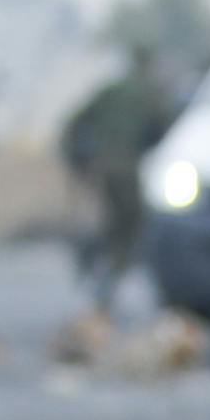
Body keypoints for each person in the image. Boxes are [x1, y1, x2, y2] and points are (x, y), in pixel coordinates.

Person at [59, 49, 174, 315]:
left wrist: (77, 160)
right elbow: (162, 128)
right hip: (126, 166)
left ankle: (95, 263)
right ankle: (110, 271)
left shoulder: (110, 90)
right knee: (131, 223)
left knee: (110, 221)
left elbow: (76, 121)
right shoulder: (149, 93)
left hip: (101, 165)